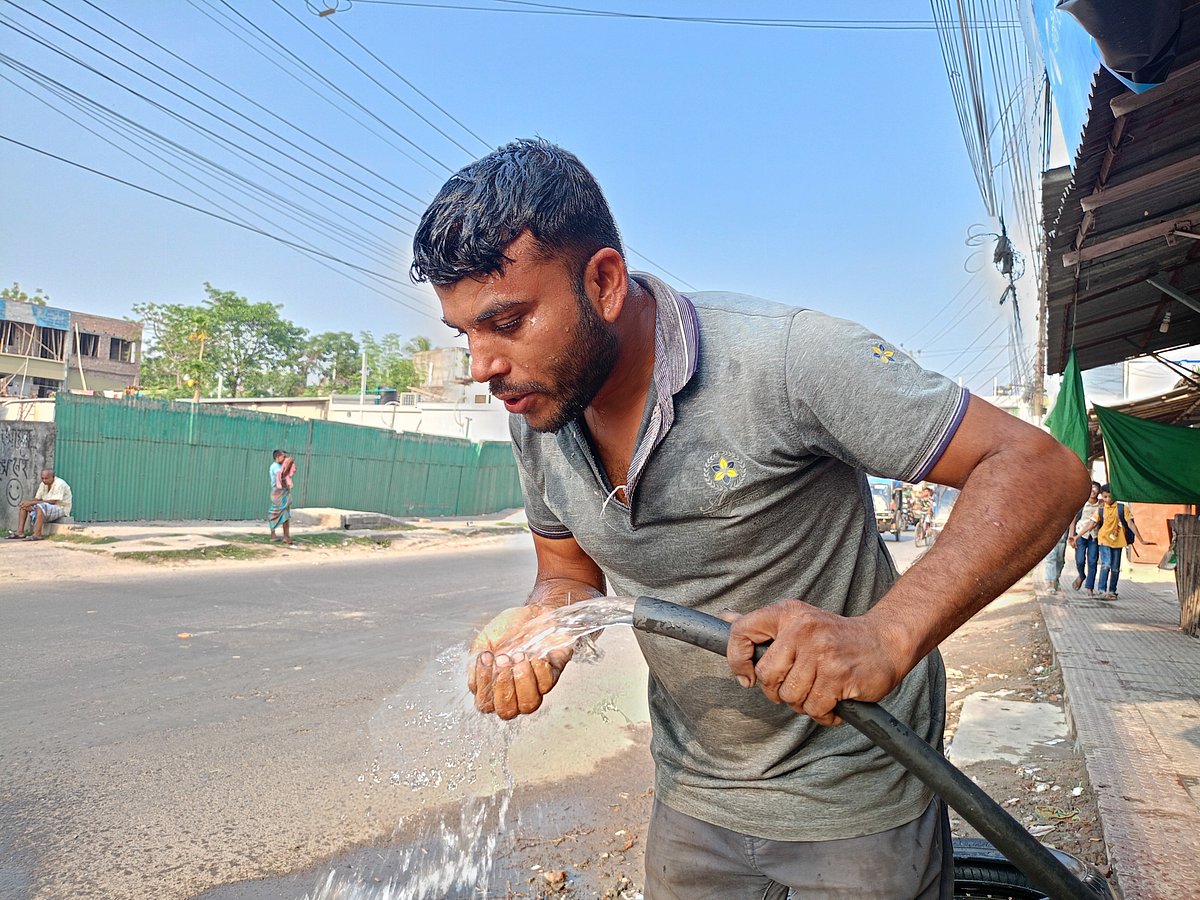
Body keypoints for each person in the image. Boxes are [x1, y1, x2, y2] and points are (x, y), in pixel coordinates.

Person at [411, 139, 1090, 899]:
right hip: (693, 797)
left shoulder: (787, 359)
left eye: (506, 321)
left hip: (858, 793)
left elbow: (1041, 469)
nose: (481, 365)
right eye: (464, 333)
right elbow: (569, 571)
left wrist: (884, 635)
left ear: (602, 282)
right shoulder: (537, 410)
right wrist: (544, 617)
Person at [1095, 484, 1142, 600]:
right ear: (1102, 496)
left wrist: (1141, 539)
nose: (1108, 499)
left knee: (1115, 567)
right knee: (1106, 564)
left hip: (1118, 541)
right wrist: (1078, 536)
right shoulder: (1101, 509)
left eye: (1110, 496)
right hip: (1104, 540)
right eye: (1105, 497)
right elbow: (1092, 523)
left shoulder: (1122, 508)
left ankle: (1112, 591)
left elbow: (1130, 524)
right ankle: (1101, 590)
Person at [8, 468, 72, 541]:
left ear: (53, 477)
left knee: (40, 506)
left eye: (46, 478)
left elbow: (53, 502)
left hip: (61, 508)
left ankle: (37, 534)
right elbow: (37, 498)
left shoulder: (60, 484)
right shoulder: (43, 484)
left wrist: (31, 503)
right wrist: (27, 503)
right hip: (47, 508)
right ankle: (20, 532)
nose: (44, 480)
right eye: (42, 478)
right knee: (24, 506)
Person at [1069, 481, 1102, 596]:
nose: (1093, 491)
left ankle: (1089, 587)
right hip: (1080, 535)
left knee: (1092, 562)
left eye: (1095, 489)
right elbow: (1072, 520)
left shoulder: (1101, 505)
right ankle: (1082, 575)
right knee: (1079, 561)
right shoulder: (1081, 504)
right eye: (1091, 488)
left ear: (1099, 492)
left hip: (1094, 536)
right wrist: (1072, 536)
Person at [268, 449, 295, 545]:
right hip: (278, 493)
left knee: (285, 513)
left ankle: (286, 536)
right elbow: (282, 476)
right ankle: (275, 534)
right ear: (277, 457)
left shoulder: (281, 465)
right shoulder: (274, 467)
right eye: (283, 457)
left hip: (284, 492)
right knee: (276, 513)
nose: (284, 459)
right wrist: (288, 465)